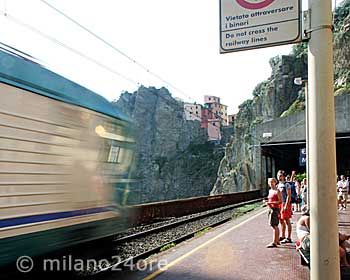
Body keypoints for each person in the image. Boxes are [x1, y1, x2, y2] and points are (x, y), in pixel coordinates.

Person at [264, 177, 283, 248]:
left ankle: (274, 242)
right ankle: (277, 240)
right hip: (270, 208)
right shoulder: (270, 191)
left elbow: (280, 201)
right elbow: (270, 199)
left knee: (274, 225)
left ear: (275, 182)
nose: (271, 184)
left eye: (272, 182)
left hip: (275, 209)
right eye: (269, 182)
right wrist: (267, 202)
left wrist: (270, 202)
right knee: (273, 225)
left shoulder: (277, 191)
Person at [277, 170, 293, 244]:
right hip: (279, 204)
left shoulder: (287, 185)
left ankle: (289, 237)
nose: (279, 177)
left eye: (280, 175)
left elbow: (289, 195)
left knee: (287, 220)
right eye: (278, 175)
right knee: (281, 221)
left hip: (285, 204)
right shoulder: (278, 185)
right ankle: (282, 235)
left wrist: (286, 205)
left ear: (283, 176)